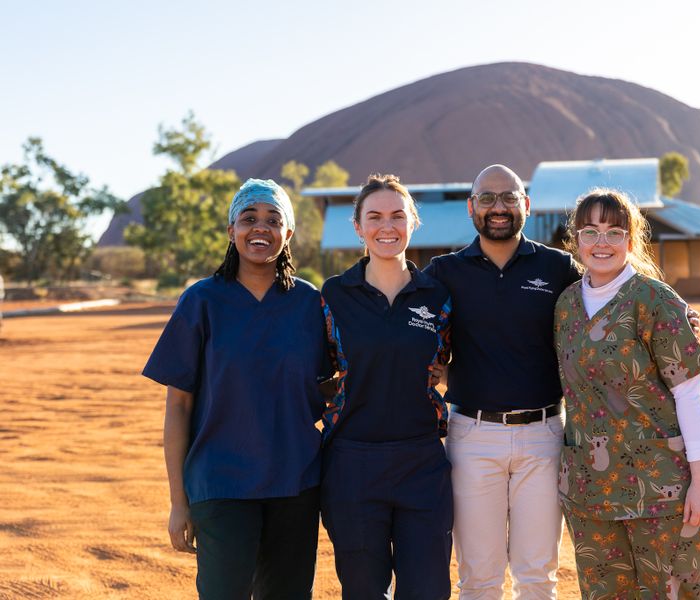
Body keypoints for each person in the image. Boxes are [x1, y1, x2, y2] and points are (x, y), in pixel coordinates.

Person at [142, 179, 327, 599]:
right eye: (249, 218)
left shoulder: (310, 304)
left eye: (273, 220)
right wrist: (178, 501)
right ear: (231, 231)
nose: (260, 228)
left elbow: (331, 385)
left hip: (295, 484)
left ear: (289, 234)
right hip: (221, 484)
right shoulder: (202, 301)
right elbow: (179, 409)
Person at [554, 189, 700, 599]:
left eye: (615, 232)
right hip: (590, 492)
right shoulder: (564, 306)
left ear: (631, 241)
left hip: (664, 490)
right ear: (575, 240)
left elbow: (690, 397)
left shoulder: (656, 302)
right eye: (591, 232)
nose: (602, 243)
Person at [425, 164, 581, 599]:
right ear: (472, 207)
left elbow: (610, 297)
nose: (499, 207)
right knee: (478, 577)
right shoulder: (443, 273)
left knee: (537, 576)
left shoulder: (558, 268)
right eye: (488, 198)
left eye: (509, 197)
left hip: (544, 437)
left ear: (525, 205)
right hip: (472, 437)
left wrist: (674, 310)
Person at [319, 173, 453, 599]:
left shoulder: (438, 296)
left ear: (413, 222)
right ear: (358, 227)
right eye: (374, 217)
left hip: (422, 461)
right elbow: (313, 373)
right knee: (362, 591)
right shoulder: (334, 295)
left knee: (428, 590)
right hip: (353, 462)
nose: (387, 226)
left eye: (398, 215)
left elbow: (456, 358)